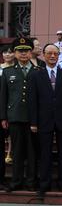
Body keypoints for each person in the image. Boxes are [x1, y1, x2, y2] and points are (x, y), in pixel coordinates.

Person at [28, 44, 62, 198]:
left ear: (59, 55)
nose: (52, 56)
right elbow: (32, 100)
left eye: (55, 53)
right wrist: (33, 122)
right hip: (43, 121)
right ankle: (44, 184)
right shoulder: (35, 75)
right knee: (45, 154)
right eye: (49, 53)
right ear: (44, 55)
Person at [0, 38, 39, 192]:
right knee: (16, 151)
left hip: (32, 118)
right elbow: (3, 96)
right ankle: (16, 181)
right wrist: (3, 117)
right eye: (20, 51)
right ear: (15, 53)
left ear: (31, 53)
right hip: (14, 116)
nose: (23, 54)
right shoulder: (8, 72)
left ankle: (31, 182)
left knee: (32, 152)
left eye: (26, 51)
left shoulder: (38, 71)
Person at [0, 44, 15, 189]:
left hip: (15, 112)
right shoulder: (1, 69)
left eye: (11, 52)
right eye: (5, 52)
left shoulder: (19, 70)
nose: (8, 55)